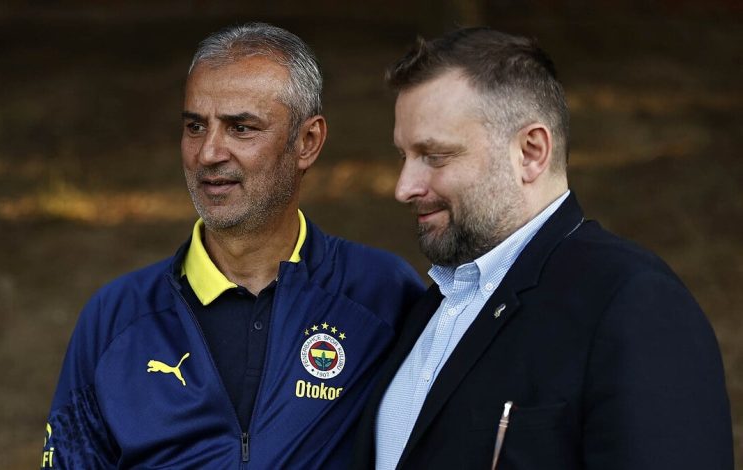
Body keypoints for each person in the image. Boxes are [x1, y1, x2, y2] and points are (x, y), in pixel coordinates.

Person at [41, 23, 424, 469]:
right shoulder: (116, 317)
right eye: (195, 126)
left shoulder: (380, 293)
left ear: (307, 142)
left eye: (241, 128)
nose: (208, 153)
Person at [351, 27, 733, 470]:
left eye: (434, 156)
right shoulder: (431, 308)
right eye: (404, 156)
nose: (403, 188)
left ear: (531, 152)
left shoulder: (632, 303)